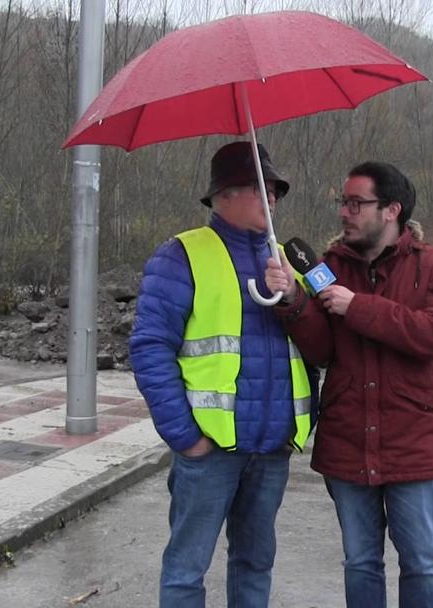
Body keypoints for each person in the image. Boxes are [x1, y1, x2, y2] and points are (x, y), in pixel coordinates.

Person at [266, 161, 433, 607]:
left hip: (415, 446)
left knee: (422, 562)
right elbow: (323, 352)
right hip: (348, 443)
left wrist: (357, 307)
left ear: (391, 210)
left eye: (356, 203)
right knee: (359, 562)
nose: (344, 212)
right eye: (343, 202)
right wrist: (294, 301)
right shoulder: (330, 266)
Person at [130, 141, 314, 608]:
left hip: (272, 447)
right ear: (223, 195)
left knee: (255, 564)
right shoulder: (180, 256)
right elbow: (150, 349)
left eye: (275, 190)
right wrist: (185, 437)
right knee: (186, 571)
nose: (271, 199)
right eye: (259, 188)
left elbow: (321, 343)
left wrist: (295, 295)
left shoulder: (290, 260)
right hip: (210, 449)